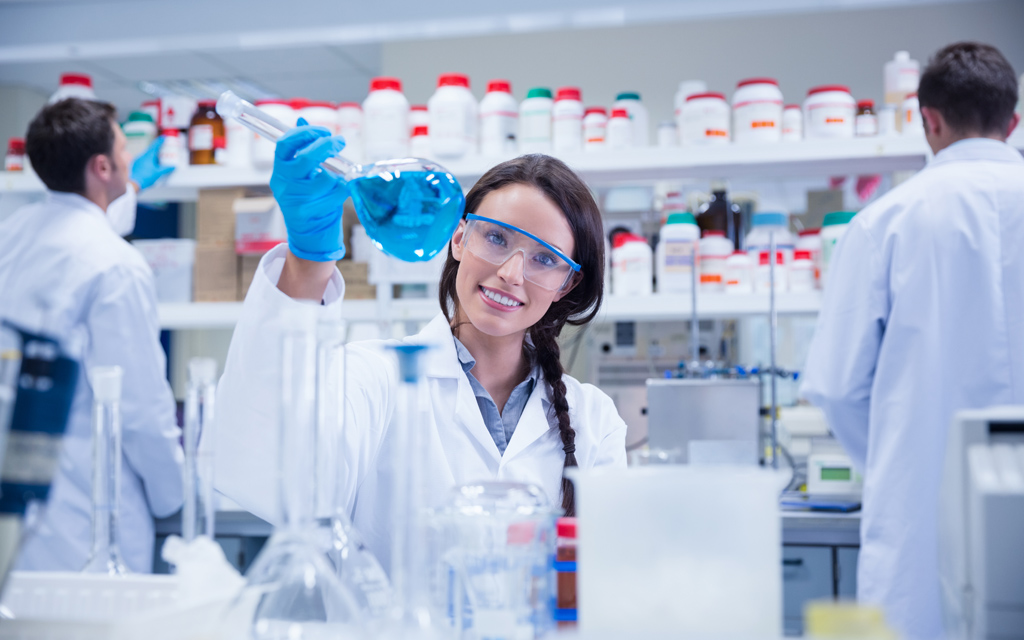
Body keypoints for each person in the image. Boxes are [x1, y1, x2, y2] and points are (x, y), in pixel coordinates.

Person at [214, 123, 627, 572]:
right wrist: (308, 261)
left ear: (567, 284)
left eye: (544, 258)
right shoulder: (371, 378)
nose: (511, 271)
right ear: (458, 237)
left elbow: (607, 577)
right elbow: (277, 475)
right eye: (497, 238)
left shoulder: (594, 420)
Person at [801, 42, 1023, 640]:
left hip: (922, 522)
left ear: (928, 118)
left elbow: (837, 386)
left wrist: (903, 465)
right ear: (1014, 120)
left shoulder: (885, 223)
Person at [0, 98, 184, 572]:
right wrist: (174, 498)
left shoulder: (13, 232)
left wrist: (132, 186)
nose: (128, 157)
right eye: (124, 149)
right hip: (81, 512)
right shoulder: (117, 267)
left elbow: (82, 226)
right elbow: (142, 409)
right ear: (102, 165)